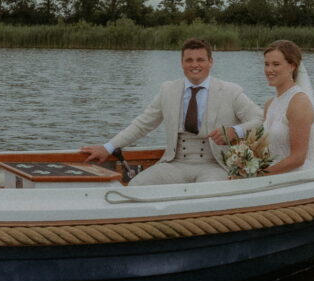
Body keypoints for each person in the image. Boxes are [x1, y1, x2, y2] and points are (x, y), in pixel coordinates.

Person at [81, 38, 263, 185]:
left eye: (200, 60)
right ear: (181, 63)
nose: (195, 65)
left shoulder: (231, 92)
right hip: (175, 163)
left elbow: (260, 119)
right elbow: (142, 125)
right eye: (189, 60)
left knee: (206, 196)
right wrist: (108, 147)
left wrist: (235, 131)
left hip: (214, 165)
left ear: (211, 62)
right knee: (136, 187)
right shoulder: (168, 90)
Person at [260, 40, 314, 174]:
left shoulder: (299, 103)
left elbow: (298, 158)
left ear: (292, 66)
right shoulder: (269, 104)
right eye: (266, 64)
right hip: (274, 171)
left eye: (276, 64)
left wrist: (260, 175)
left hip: (298, 174)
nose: (269, 70)